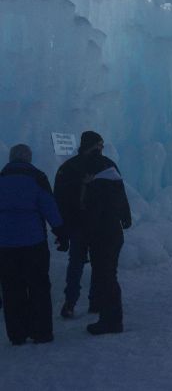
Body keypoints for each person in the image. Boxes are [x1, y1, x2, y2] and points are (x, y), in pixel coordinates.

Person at [0, 144, 68, 345]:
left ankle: (17, 334)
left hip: (5, 245)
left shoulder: (1, 178)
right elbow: (49, 207)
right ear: (28, 158)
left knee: (12, 288)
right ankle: (41, 332)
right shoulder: (37, 177)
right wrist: (61, 232)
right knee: (39, 286)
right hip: (33, 242)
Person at [80, 132, 132, 335]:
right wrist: (126, 217)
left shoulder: (96, 185)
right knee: (108, 274)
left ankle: (111, 321)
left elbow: (92, 211)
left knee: (105, 276)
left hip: (102, 235)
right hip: (114, 232)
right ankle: (107, 315)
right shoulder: (111, 175)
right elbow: (122, 197)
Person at [54, 131, 100, 318]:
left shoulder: (67, 167)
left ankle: (71, 302)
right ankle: (94, 301)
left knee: (76, 263)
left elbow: (58, 198)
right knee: (97, 262)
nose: (101, 148)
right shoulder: (101, 165)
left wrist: (61, 228)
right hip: (95, 222)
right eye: (99, 144)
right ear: (93, 145)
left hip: (76, 222)